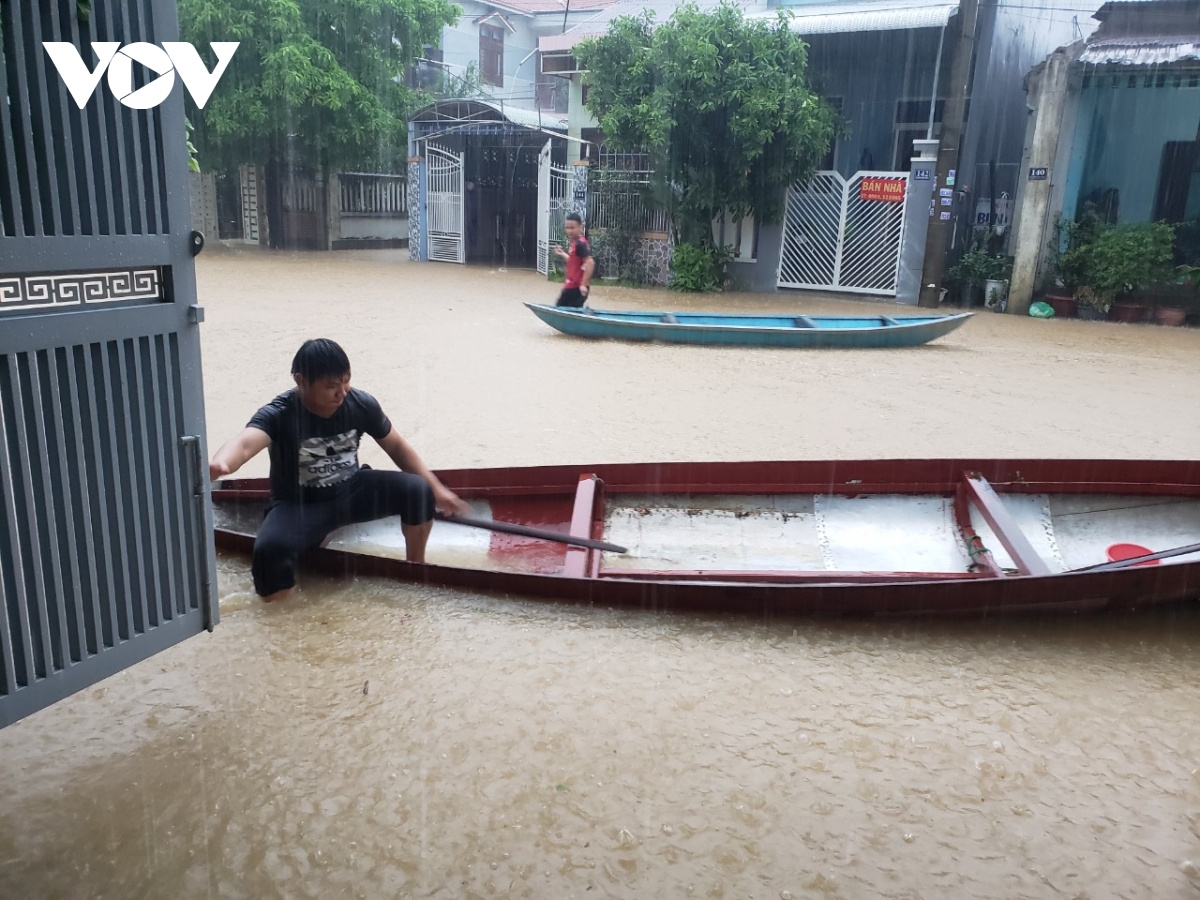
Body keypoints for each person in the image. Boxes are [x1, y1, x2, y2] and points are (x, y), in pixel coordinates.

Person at [208, 338, 469, 601]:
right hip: (300, 505)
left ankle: (415, 569)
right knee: (268, 551)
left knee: (418, 490)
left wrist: (437, 490)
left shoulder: (361, 404)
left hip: (352, 491)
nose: (342, 393)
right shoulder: (279, 413)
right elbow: (243, 444)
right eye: (331, 386)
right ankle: (285, 615)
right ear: (300, 381)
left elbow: (397, 447)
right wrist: (222, 464)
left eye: (346, 381)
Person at [553, 212, 594, 308]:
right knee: (564, 312)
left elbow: (590, 263)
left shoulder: (580, 244)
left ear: (580, 227)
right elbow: (573, 263)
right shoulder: (575, 243)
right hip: (572, 286)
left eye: (572, 228)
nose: (569, 231)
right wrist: (562, 253)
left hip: (576, 287)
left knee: (560, 311)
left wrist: (583, 284)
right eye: (567, 228)